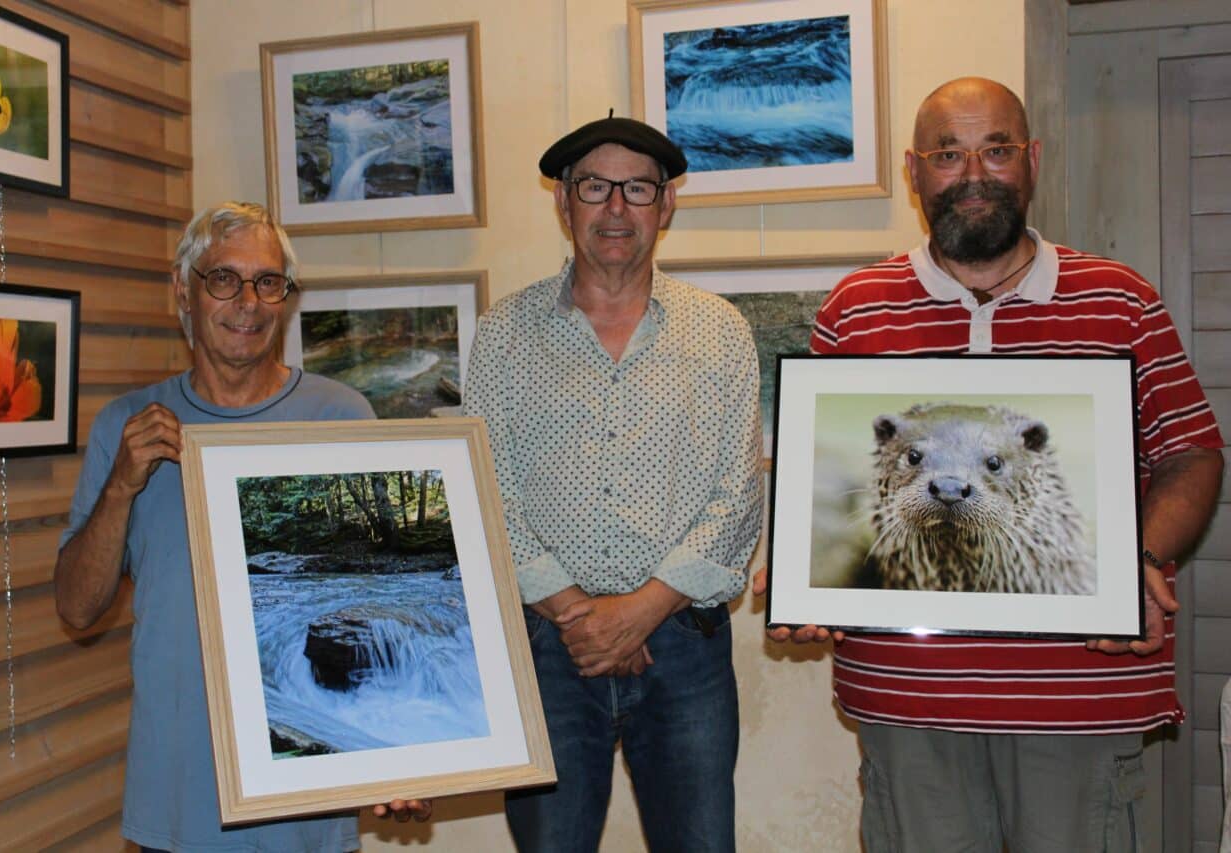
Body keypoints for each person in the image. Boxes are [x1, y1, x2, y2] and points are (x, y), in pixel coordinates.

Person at [757, 76, 1225, 852]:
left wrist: (1137, 562)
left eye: (996, 149)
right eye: (948, 153)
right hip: (909, 701)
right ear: (914, 171)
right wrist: (815, 569)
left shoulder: (1119, 299)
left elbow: (1192, 454)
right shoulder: (856, 308)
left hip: (1077, 696)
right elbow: (835, 486)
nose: (974, 173)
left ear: (1032, 160)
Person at [54, 202, 429, 852]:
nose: (247, 302)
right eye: (223, 279)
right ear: (184, 289)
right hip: (175, 800)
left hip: (306, 799)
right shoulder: (127, 424)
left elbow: (382, 610)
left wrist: (397, 751)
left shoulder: (340, 417)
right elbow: (77, 607)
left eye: (267, 281)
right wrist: (120, 486)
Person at [462, 116, 762, 852]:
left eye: (637, 188)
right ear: (564, 202)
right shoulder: (504, 333)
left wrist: (639, 612)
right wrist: (578, 615)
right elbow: (485, 492)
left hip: (684, 646)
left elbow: (737, 494)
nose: (616, 209)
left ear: (666, 206)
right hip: (547, 650)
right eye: (596, 187)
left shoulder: (720, 331)